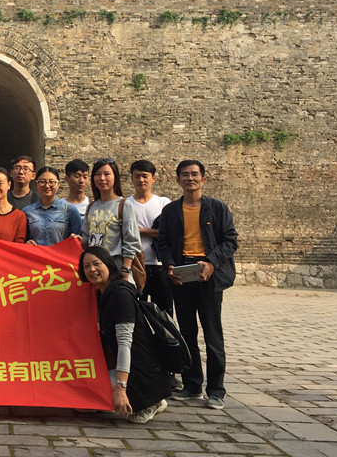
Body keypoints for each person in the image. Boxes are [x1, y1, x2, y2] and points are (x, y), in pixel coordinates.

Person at [157, 160, 238, 410]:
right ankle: (192, 385)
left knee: (213, 335)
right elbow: (163, 242)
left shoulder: (217, 208)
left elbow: (230, 240)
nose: (190, 178)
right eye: (185, 175)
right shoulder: (171, 211)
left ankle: (216, 390)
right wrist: (170, 265)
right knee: (187, 333)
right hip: (182, 274)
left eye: (194, 174)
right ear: (178, 180)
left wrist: (212, 262)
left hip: (209, 275)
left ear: (203, 179)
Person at [79, 246, 171, 424]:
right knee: (82, 404)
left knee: (87, 397)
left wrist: (120, 389)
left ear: (108, 264)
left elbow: (125, 344)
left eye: (96, 264)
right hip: (127, 366)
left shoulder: (121, 295)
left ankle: (153, 400)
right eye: (86, 266)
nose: (92, 269)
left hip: (140, 370)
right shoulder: (100, 294)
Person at [81, 158, 142, 281]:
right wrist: (77, 240)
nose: (102, 178)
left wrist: (126, 269)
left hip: (117, 269)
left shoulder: (124, 205)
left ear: (115, 177)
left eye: (107, 174)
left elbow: (131, 241)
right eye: (98, 174)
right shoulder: (91, 206)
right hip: (95, 273)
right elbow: (86, 238)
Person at [128, 160, 173, 315]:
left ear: (153, 178)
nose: (141, 180)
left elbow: (168, 233)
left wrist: (140, 231)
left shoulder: (163, 203)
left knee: (163, 312)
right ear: (132, 179)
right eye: (137, 176)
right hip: (135, 264)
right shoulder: (125, 204)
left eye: (145, 176)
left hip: (159, 265)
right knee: (136, 311)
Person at [23, 167, 82, 246]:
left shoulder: (70, 210)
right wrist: (27, 243)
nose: (47, 186)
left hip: (60, 253)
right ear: (37, 184)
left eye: (51, 182)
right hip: (35, 253)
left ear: (58, 184)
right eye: (42, 182)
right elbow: (22, 240)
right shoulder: (27, 211)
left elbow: (78, 241)